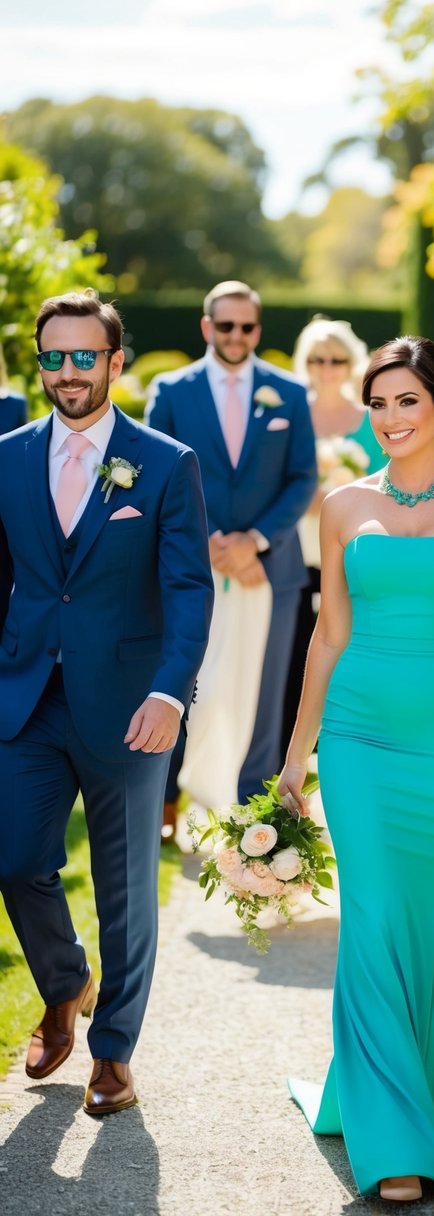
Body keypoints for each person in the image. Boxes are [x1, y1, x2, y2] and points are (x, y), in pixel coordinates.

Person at [279, 336, 434, 1202]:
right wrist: (295, 753)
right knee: (373, 911)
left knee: (426, 912)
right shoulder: (342, 504)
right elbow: (327, 632)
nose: (389, 419)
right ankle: (392, 1139)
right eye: (377, 404)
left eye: (405, 403)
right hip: (356, 733)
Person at [0, 290, 213, 1115]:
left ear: (115, 362)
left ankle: (113, 1051)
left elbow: (189, 591)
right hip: (25, 698)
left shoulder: (164, 462)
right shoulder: (9, 456)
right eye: (53, 357)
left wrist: (171, 691)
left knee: (125, 887)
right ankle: (64, 985)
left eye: (83, 357)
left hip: (130, 705)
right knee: (15, 858)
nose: (67, 373)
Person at [146, 281, 316, 827]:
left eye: (246, 327)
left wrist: (254, 541)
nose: (236, 335)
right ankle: (172, 802)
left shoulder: (288, 392)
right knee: (192, 685)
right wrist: (214, 540)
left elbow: (301, 477)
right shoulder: (171, 391)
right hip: (195, 566)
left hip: (271, 569)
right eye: (225, 326)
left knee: (266, 701)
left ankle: (255, 818)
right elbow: (158, 472)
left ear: (257, 331)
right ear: (206, 327)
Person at [280, 316, 385, 760]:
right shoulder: (289, 412)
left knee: (349, 648)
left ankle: (346, 740)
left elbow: (386, 481)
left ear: (351, 362)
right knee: (295, 651)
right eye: (317, 358)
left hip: (353, 551)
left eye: (336, 358)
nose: (327, 366)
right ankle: (292, 747)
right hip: (294, 548)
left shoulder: (370, 417)